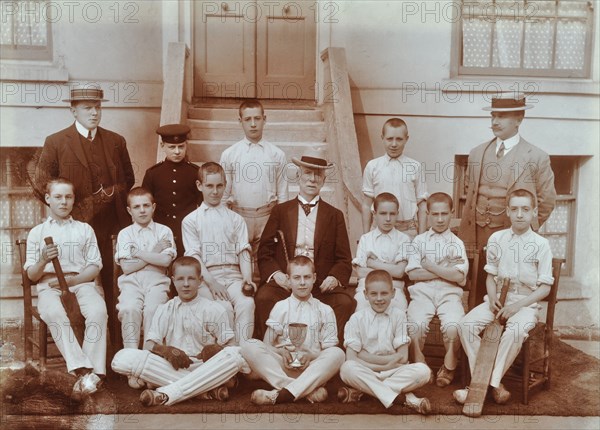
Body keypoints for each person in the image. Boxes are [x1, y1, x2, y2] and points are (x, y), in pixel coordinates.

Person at [33, 85, 135, 340]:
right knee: (78, 284)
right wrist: (75, 208)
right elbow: (42, 185)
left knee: (113, 283)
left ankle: (116, 344)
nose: (94, 113)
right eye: (87, 108)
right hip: (74, 227)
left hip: (111, 226)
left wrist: (111, 193)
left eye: (98, 107)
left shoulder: (115, 141)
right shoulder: (56, 142)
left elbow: (129, 179)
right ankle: (79, 344)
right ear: (73, 110)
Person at [454, 188, 554, 405]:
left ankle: (485, 384)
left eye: (525, 209)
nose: (520, 214)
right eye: (515, 209)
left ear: (534, 212)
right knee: (465, 325)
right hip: (498, 299)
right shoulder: (497, 238)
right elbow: (490, 277)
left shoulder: (541, 245)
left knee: (515, 331)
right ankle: (492, 383)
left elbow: (544, 289)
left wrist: (517, 306)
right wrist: (492, 298)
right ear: (507, 211)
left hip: (526, 304)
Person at [111, 256, 250, 406]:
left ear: (200, 280)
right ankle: (206, 391)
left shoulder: (214, 309)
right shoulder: (164, 309)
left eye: (191, 279)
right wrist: (165, 350)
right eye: (180, 279)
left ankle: (166, 393)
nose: (185, 284)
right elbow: (149, 345)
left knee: (235, 357)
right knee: (122, 358)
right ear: (173, 280)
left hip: (206, 367)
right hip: (174, 368)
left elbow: (232, 345)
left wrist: (216, 349)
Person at [459, 94, 556, 305]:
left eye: (501, 116)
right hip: (478, 235)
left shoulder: (536, 156)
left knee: (511, 294)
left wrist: (522, 227)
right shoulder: (476, 153)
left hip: (514, 237)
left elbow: (547, 200)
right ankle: (477, 335)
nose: (494, 122)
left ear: (519, 119)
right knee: (478, 291)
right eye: (493, 116)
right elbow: (469, 191)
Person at [254, 147, 355, 342]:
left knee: (345, 302)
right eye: (308, 173)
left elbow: (344, 259)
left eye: (318, 174)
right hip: (287, 281)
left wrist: (334, 278)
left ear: (324, 180)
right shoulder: (280, 211)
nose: (312, 179)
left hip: (319, 284)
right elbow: (264, 252)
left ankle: (332, 355)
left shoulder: (335, 215)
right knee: (264, 297)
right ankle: (268, 352)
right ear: (298, 176)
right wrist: (277, 275)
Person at [24, 178, 107, 397]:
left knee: (98, 310)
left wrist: (73, 282)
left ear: (73, 200)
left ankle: (92, 372)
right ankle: (82, 370)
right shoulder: (37, 232)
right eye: (58, 197)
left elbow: (94, 267)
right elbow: (32, 276)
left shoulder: (84, 229)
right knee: (54, 312)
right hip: (48, 285)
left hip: (80, 282)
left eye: (68, 197)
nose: (64, 202)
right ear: (48, 199)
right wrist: (43, 260)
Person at [241, 256, 345, 405]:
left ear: (314, 278)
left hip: (312, 368)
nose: (302, 282)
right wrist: (281, 352)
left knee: (338, 354)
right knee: (249, 345)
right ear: (288, 280)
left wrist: (311, 355)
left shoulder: (325, 310)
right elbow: (266, 345)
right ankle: (302, 391)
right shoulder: (280, 307)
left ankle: (280, 394)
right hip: (282, 367)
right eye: (297, 278)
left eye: (307, 277)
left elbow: (328, 350)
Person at [181, 162, 256, 345]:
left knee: (247, 304)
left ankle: (242, 354)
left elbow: (243, 250)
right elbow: (194, 256)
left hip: (233, 275)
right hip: (207, 277)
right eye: (209, 186)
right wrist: (212, 282)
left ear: (225, 185)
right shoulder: (191, 220)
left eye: (219, 186)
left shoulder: (235, 219)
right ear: (200, 186)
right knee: (223, 308)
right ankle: (227, 358)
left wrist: (247, 278)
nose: (215, 192)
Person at [338, 270, 431, 414]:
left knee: (423, 371)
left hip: (393, 372)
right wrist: (386, 363)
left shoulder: (399, 316)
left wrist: (364, 355)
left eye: (384, 293)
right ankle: (404, 399)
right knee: (347, 369)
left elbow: (403, 356)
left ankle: (364, 393)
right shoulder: (357, 319)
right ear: (365, 295)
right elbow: (351, 358)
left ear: (393, 293)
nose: (379, 299)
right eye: (374, 294)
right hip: (368, 371)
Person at [405, 192, 468, 388]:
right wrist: (445, 269)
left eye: (444, 214)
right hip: (422, 293)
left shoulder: (457, 243)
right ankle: (420, 365)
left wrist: (430, 266)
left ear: (452, 213)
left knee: (454, 325)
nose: (440, 219)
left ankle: (449, 367)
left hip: (449, 294)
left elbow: (459, 277)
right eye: (435, 214)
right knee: (415, 325)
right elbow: (413, 274)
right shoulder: (419, 241)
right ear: (428, 214)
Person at [220, 100, 288, 279]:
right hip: (239, 215)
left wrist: (281, 221)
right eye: (247, 119)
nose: (252, 124)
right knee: (239, 262)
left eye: (257, 118)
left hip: (267, 215)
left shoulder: (276, 154)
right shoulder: (230, 154)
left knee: (264, 262)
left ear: (264, 119)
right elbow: (224, 192)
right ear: (239, 121)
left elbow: (282, 191)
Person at [114, 187, 176, 386]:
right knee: (129, 309)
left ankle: (151, 366)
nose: (142, 210)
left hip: (157, 280)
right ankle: (132, 367)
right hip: (131, 283)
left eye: (146, 206)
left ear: (153, 207)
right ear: (129, 210)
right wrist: (153, 252)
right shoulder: (125, 234)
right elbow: (126, 267)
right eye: (136, 207)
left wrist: (138, 253)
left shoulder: (164, 231)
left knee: (153, 310)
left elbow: (166, 262)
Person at [142, 124, 203, 257]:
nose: (177, 151)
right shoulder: (153, 174)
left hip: (187, 231)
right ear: (162, 145)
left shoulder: (195, 172)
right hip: (160, 231)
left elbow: (202, 205)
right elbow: (145, 205)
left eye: (181, 146)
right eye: (172, 147)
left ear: (186, 145)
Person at [361, 118, 428, 238]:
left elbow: (422, 205)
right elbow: (367, 204)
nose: (394, 144)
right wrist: (365, 236)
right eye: (389, 139)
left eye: (399, 139)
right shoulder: (372, 166)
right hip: (379, 231)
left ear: (406, 139)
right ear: (382, 138)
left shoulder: (415, 167)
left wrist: (422, 238)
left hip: (408, 231)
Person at [352, 192, 411, 311]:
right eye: (383, 213)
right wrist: (391, 268)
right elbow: (361, 272)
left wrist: (373, 263)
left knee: (399, 310)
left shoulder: (403, 239)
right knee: (360, 308)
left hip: (394, 290)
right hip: (367, 290)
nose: (388, 219)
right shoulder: (366, 239)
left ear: (397, 214)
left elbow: (399, 272)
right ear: (374, 213)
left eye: (392, 214)